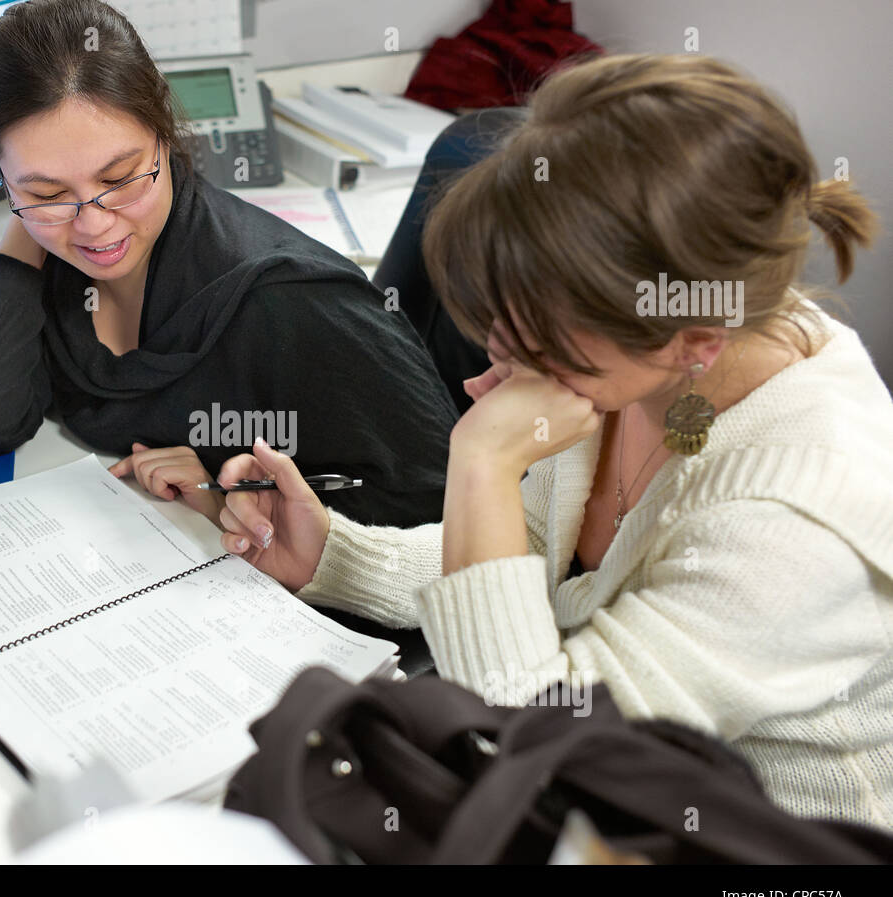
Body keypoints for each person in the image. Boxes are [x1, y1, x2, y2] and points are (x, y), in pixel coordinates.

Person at [204, 54, 893, 829]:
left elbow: (534, 746)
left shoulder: (798, 522)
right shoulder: (643, 356)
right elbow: (525, 562)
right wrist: (334, 555)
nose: (498, 358)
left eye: (534, 341)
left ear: (694, 339)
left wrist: (483, 461)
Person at [0, 0, 458, 529]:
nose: (95, 225)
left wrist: (233, 500)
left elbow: (451, 510)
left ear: (164, 137)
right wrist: (30, 223)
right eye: (47, 190)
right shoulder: (54, 262)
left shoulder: (293, 301)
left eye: (119, 179)